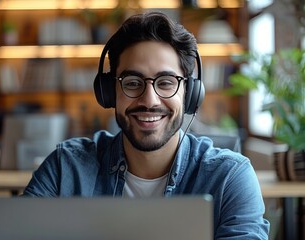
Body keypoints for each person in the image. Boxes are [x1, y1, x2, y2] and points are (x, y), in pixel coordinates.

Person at [23, 11, 270, 239]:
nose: (149, 100)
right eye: (132, 82)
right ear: (109, 92)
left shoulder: (229, 178)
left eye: (165, 82)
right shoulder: (65, 168)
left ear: (190, 93)